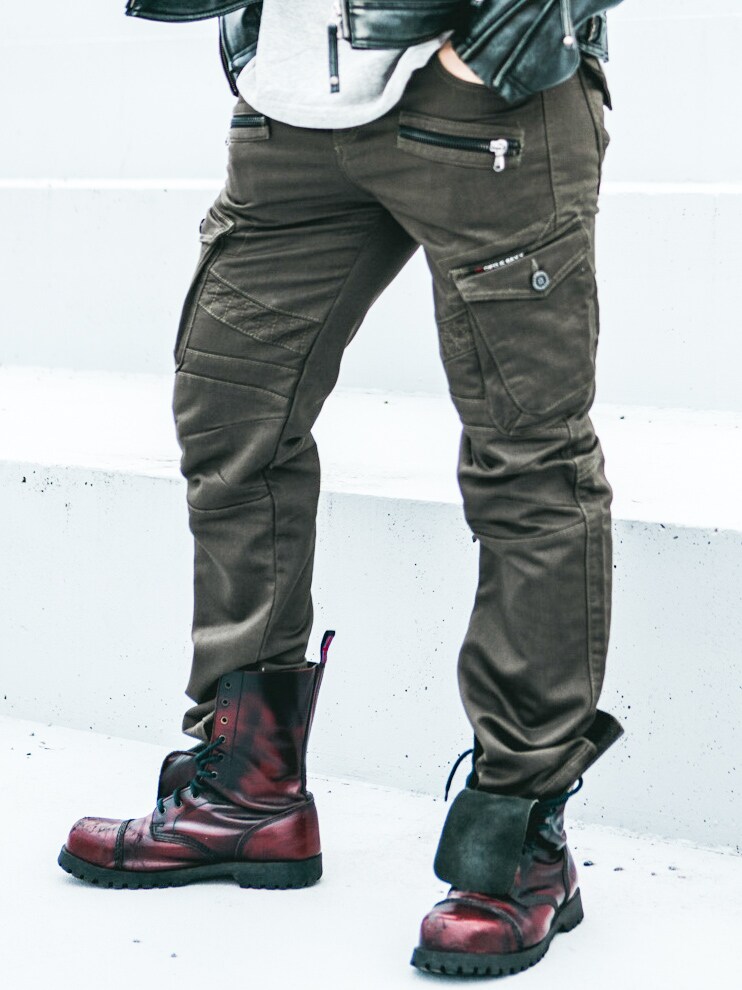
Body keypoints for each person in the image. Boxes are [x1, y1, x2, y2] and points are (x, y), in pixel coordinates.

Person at [58, 0, 625, 977]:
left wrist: (492, 49)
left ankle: (518, 835)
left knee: (525, 464)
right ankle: (247, 791)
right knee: (231, 422)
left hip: (482, 103)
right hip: (290, 107)